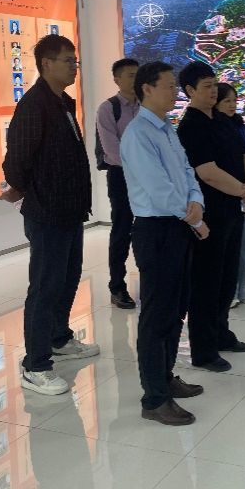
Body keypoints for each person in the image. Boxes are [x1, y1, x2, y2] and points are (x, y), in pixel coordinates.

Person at [1, 34, 98, 396]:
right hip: (47, 212)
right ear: (46, 64)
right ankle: (36, 364)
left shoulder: (63, 103)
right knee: (44, 287)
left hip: (70, 209)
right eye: (68, 60)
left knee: (67, 278)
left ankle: (59, 338)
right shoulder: (34, 106)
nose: (74, 67)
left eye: (75, 61)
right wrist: (30, 193)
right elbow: (16, 163)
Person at [120, 60, 208, 425]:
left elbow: (187, 172)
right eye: (170, 86)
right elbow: (158, 189)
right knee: (156, 315)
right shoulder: (138, 134)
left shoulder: (166, 128)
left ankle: (166, 377)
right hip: (156, 230)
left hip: (178, 225)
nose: (176, 92)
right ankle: (154, 398)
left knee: (175, 310)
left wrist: (196, 201)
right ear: (147, 89)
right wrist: (196, 219)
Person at [176, 62, 245, 373]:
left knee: (226, 278)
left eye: (215, 84)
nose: (213, 91)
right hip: (209, 214)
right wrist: (244, 191)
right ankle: (203, 349)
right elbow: (207, 173)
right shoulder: (191, 127)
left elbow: (244, 154)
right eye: (207, 86)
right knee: (206, 281)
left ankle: (222, 333)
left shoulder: (221, 120)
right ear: (190, 90)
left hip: (233, 210)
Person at [96, 58, 141, 309]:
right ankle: (117, 286)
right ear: (117, 79)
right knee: (122, 230)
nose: (135, 80)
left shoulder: (146, 105)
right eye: (130, 75)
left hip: (146, 177)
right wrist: (141, 166)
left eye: (138, 75)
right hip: (121, 176)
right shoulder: (108, 109)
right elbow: (112, 151)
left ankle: (150, 280)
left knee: (147, 228)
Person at [215, 83, 245, 308]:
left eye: (234, 100)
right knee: (227, 246)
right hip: (223, 194)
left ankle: (243, 288)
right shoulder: (211, 129)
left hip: (244, 192)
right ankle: (228, 291)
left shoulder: (240, 127)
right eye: (227, 101)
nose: (232, 105)